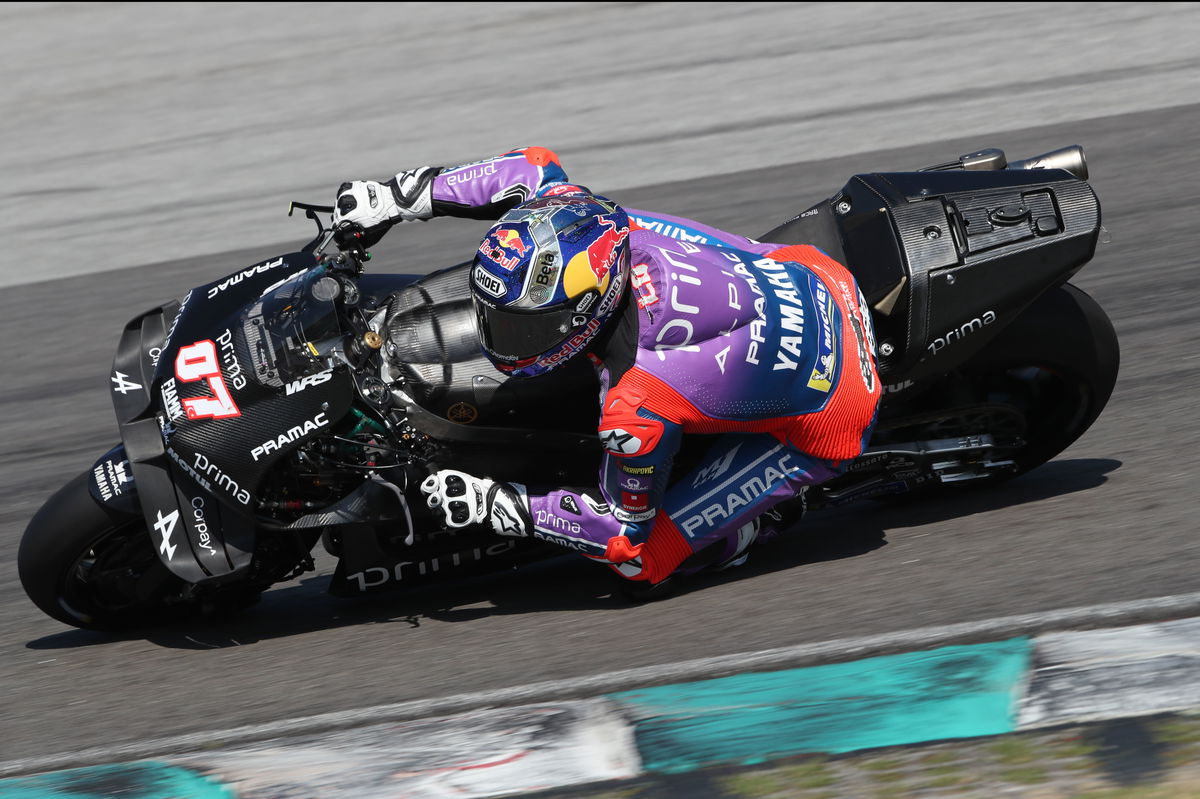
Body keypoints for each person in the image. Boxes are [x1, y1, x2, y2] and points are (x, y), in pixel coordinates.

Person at [333, 147, 881, 592]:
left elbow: (619, 531)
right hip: (809, 273)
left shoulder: (634, 408)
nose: (500, 339)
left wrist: (500, 505)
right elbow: (531, 167)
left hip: (834, 405)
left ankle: (758, 525)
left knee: (640, 565)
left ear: (585, 310)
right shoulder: (584, 218)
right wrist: (396, 198)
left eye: (522, 328)